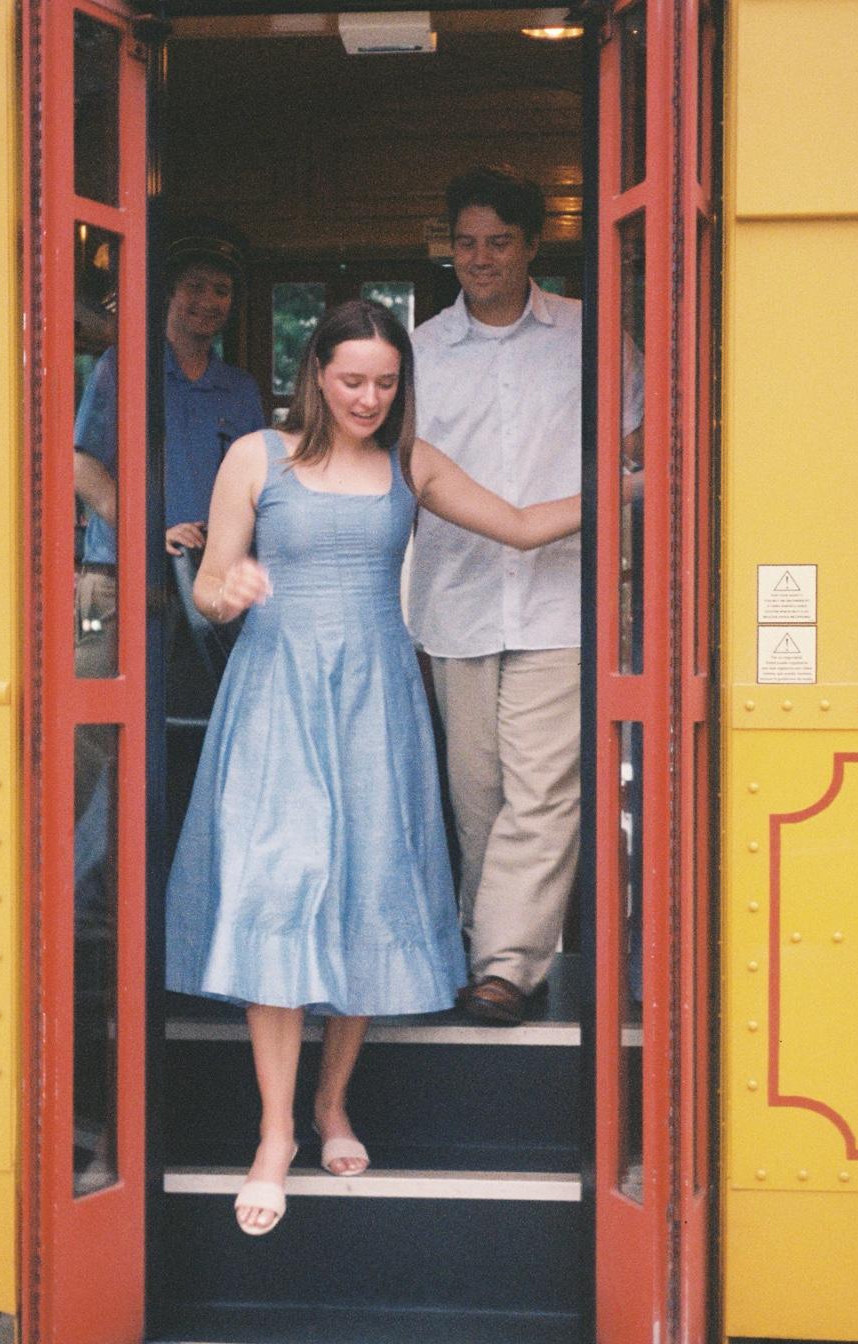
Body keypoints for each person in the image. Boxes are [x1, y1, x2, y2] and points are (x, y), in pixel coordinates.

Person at [164, 300, 582, 1236]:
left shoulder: (410, 462)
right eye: (352, 380)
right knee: (276, 890)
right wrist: (225, 589)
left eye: (386, 383)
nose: (369, 398)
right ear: (316, 373)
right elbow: (207, 582)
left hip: (377, 702)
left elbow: (515, 526)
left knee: (366, 893)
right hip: (276, 697)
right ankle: (275, 1134)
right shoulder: (257, 458)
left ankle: (329, 1106)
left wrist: (633, 489)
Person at [408, 166, 643, 1026]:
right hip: (453, 600)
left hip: (559, 597)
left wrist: (626, 472)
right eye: (466, 244)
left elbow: (649, 423)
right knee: (479, 792)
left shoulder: (590, 334)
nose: (481, 259)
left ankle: (505, 968)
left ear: (532, 246)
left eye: (498, 243)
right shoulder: (422, 350)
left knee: (546, 788)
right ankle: (487, 947)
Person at [73, 223, 265, 678]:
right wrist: (149, 529)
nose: (208, 301)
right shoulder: (122, 367)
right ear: (169, 294)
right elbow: (80, 465)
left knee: (200, 720)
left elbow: (262, 486)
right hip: (121, 575)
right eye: (194, 287)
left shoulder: (240, 390)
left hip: (210, 579)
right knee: (101, 728)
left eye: (221, 290)